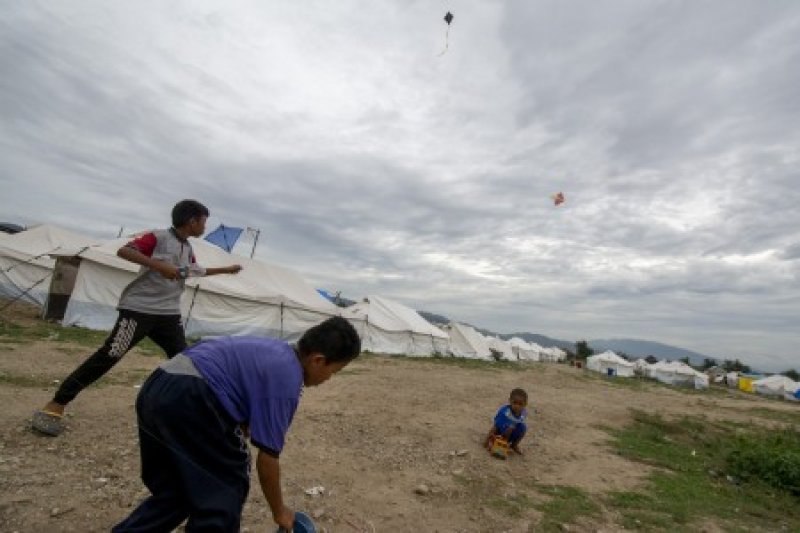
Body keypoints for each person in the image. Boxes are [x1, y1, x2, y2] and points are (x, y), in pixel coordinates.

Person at [112, 316, 361, 532]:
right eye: (334, 371)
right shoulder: (287, 379)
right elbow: (267, 459)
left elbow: (235, 386)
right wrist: (280, 511)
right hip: (191, 397)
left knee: (181, 490)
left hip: (158, 388)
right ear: (318, 360)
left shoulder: (274, 350)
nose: (329, 379)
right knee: (226, 485)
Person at [32, 199, 242, 436]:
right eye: (204, 222)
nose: (205, 227)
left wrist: (226, 270)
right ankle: (56, 404)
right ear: (191, 221)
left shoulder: (188, 248)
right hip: (139, 310)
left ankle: (192, 410)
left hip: (168, 314)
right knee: (110, 355)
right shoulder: (158, 237)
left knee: (186, 359)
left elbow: (192, 271)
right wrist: (158, 266)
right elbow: (125, 251)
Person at [484, 388, 529, 455]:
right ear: (510, 401)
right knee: (495, 432)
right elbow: (496, 426)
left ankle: (514, 445)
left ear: (525, 404)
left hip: (511, 433)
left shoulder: (523, 413)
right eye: (514, 403)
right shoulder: (504, 412)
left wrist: (512, 427)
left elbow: (518, 423)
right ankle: (492, 442)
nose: (517, 406)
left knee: (523, 427)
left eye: (520, 404)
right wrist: (487, 440)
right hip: (500, 433)